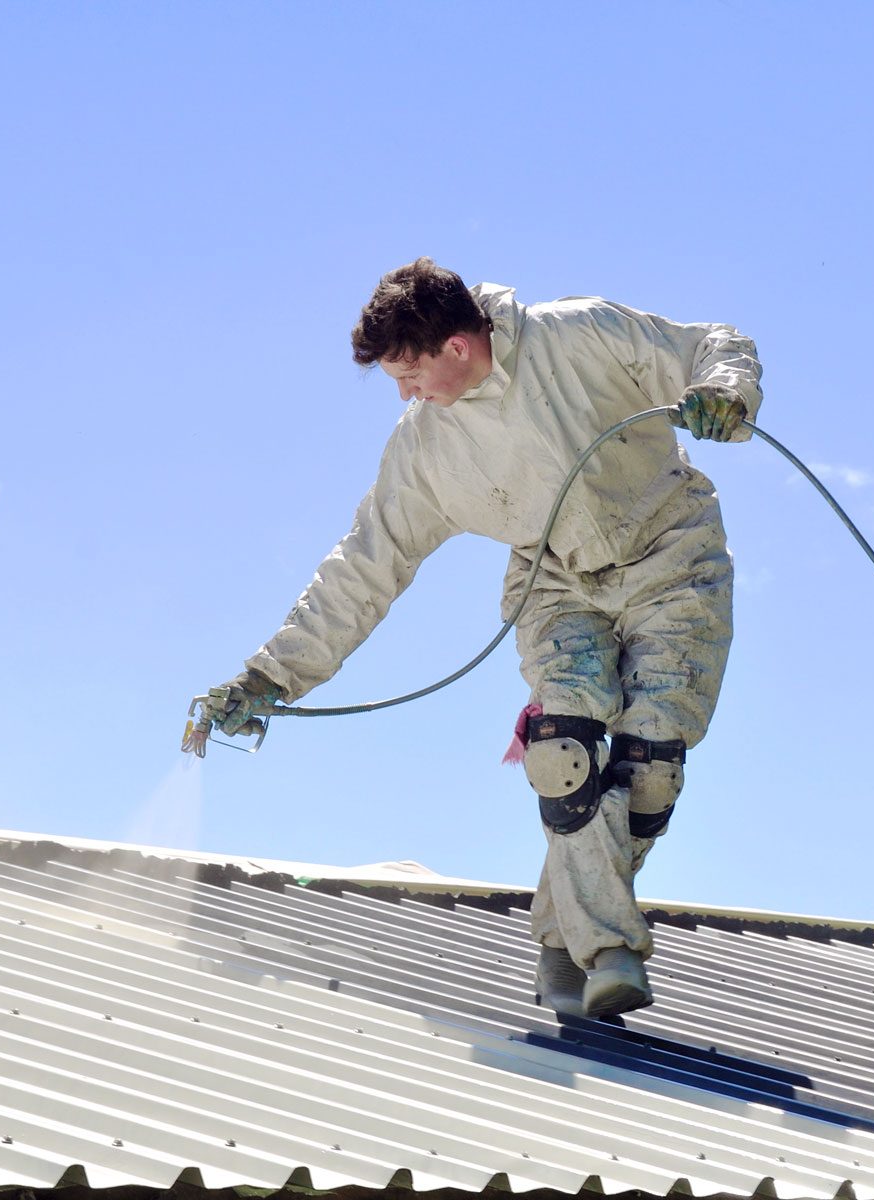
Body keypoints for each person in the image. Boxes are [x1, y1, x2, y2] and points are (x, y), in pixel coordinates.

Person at [208, 258, 762, 1019]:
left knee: (652, 765)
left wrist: (724, 391)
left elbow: (712, 343)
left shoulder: (578, 334)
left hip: (674, 556)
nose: (405, 394)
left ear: (458, 347)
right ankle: (609, 951)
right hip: (555, 580)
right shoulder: (424, 450)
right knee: (562, 752)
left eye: (409, 374)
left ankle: (559, 943)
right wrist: (272, 676)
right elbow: (365, 564)